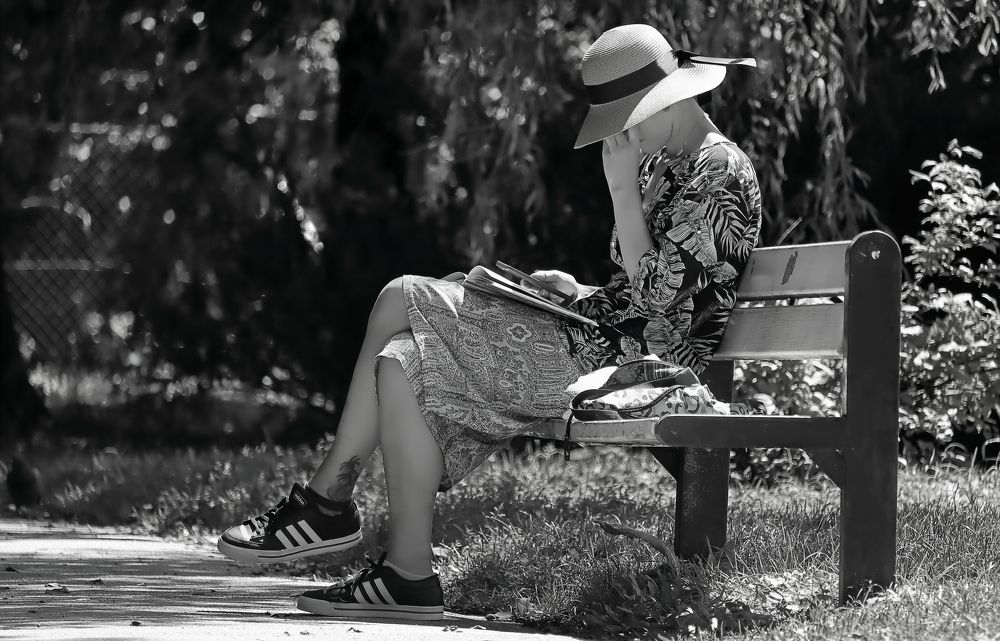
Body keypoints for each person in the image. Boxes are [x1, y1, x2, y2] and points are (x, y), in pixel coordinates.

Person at [216, 23, 761, 622]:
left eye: (629, 117)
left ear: (674, 97)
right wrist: (573, 289)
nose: (623, 134)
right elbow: (643, 286)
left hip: (638, 370)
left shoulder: (721, 172)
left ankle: (326, 504)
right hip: (601, 337)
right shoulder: (665, 160)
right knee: (399, 358)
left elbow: (662, 306)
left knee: (401, 295)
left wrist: (621, 193)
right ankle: (408, 575)